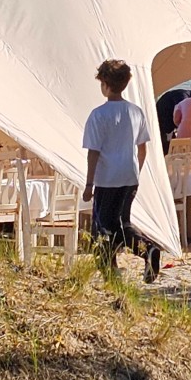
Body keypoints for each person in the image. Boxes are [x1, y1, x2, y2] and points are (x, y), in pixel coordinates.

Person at [82, 59, 155, 281]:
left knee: (104, 228)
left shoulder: (99, 115)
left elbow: (93, 152)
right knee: (121, 222)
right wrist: (136, 171)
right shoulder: (135, 112)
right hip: (129, 174)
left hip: (108, 178)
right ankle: (136, 255)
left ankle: (137, 254)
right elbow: (142, 148)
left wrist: (89, 183)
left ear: (105, 84)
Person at [154, 86, 191, 152]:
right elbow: (182, 116)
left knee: (170, 144)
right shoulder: (183, 98)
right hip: (164, 118)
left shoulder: (184, 95)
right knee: (167, 145)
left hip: (165, 116)